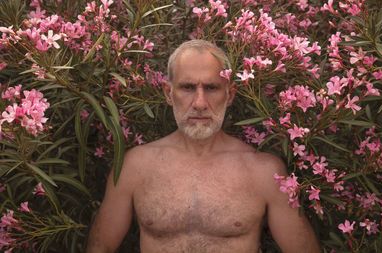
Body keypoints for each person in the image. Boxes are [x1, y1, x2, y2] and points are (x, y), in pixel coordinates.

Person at [86, 40, 321, 253]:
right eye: (187, 87)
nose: (199, 103)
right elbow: (100, 247)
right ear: (169, 93)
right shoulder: (135, 166)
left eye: (211, 88)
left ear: (229, 95)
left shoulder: (264, 172)